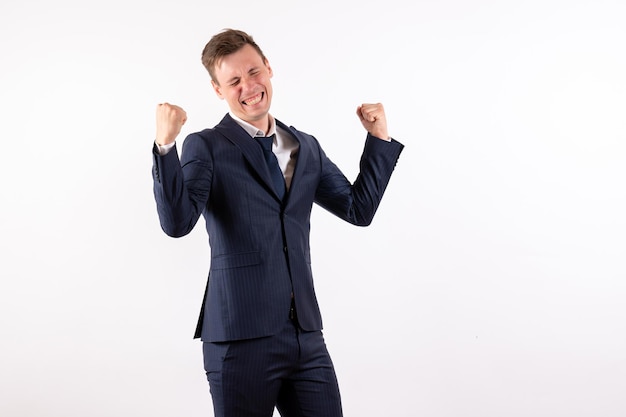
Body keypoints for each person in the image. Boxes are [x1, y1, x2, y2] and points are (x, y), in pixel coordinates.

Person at [152, 28, 404, 417]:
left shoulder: (305, 146)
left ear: (269, 68)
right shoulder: (206, 146)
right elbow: (178, 222)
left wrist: (379, 139)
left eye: (253, 72)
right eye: (233, 81)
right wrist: (165, 145)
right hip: (239, 339)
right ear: (218, 90)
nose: (248, 86)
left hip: (305, 337)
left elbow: (358, 209)